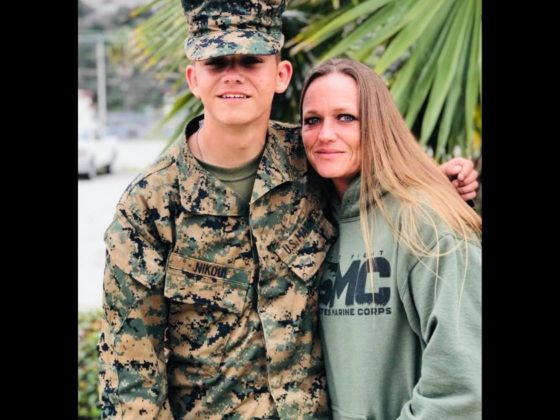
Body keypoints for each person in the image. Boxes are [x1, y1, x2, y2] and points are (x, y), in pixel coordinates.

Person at [97, 0, 479, 417]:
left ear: (281, 75)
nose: (233, 74)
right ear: (193, 78)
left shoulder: (312, 158)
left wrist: (438, 184)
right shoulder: (149, 205)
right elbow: (130, 381)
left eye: (251, 60)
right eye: (216, 61)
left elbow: (378, 173)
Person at [300, 57, 482, 420]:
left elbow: (463, 389)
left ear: (378, 124)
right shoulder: (312, 222)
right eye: (312, 120)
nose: (325, 134)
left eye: (346, 117)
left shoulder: (427, 222)